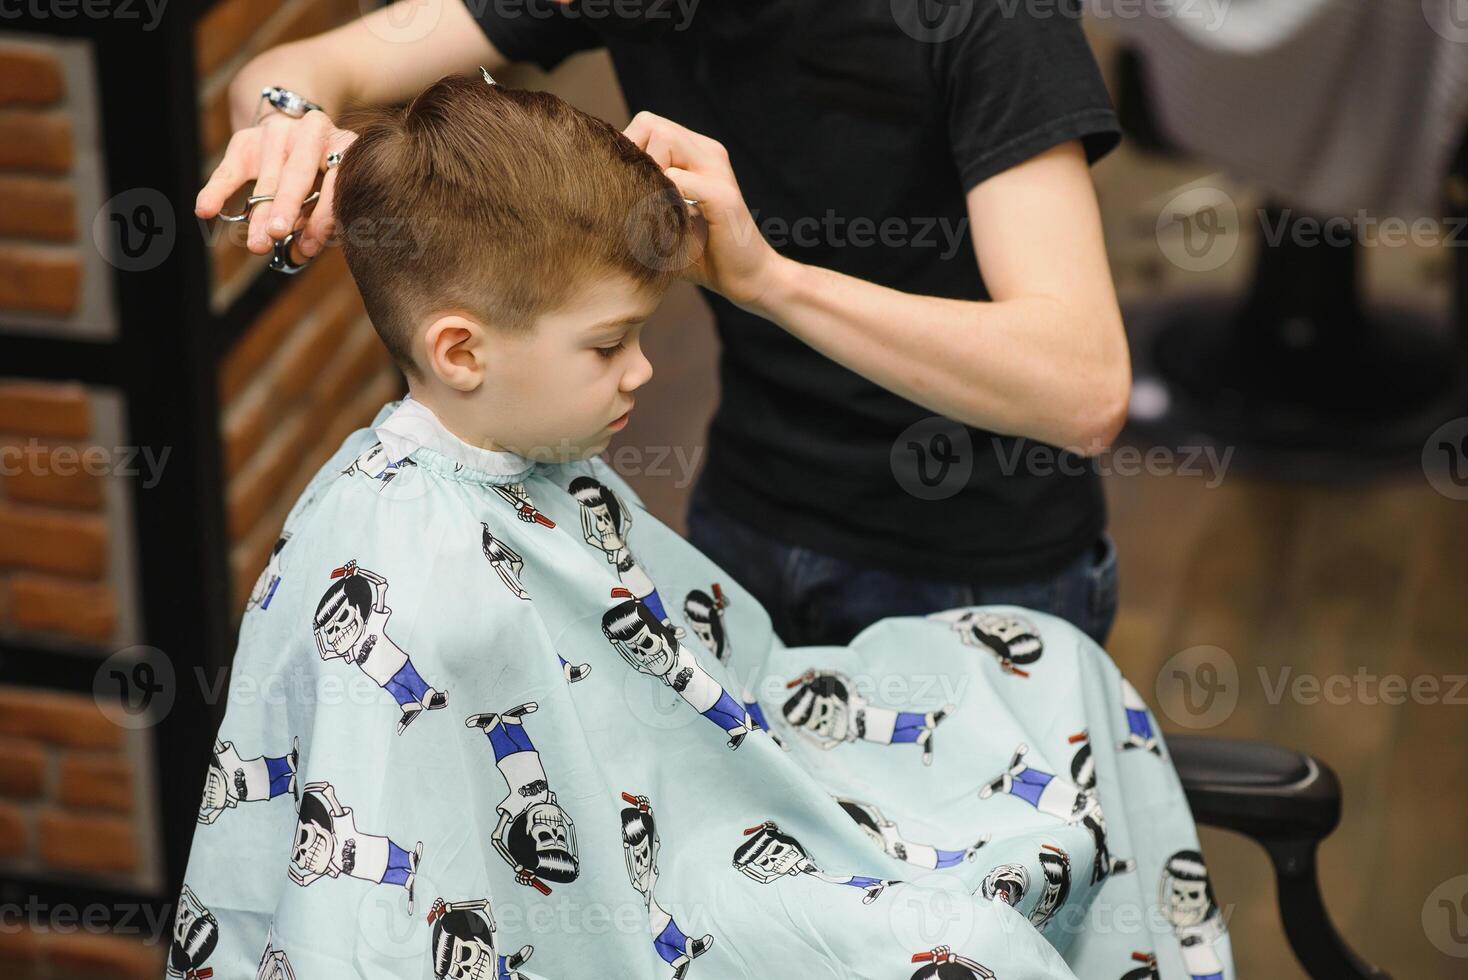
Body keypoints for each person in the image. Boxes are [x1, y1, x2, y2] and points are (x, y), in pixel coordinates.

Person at [170, 73, 1229, 980]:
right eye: (609, 344)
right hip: (639, 902)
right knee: (963, 939)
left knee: (1047, 667)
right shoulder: (411, 575)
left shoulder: (522, 472)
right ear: (460, 352)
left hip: (710, 817)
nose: (640, 371)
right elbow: (368, 915)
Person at [195, 0, 1131, 649]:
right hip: (744, 520)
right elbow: (306, 66)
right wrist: (289, 120)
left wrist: (767, 280)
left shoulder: (994, 22)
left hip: (980, 569)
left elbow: (1082, 386)